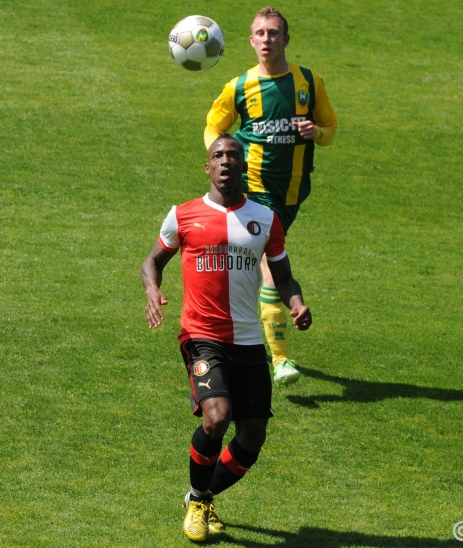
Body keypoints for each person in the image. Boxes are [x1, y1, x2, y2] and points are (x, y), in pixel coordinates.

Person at [142, 133, 312, 543]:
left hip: (250, 341)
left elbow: (283, 274)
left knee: (252, 436)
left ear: (241, 166)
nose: (225, 161)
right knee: (216, 417)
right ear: (208, 166)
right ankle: (200, 501)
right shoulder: (182, 215)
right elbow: (152, 260)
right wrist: (152, 290)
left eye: (232, 155)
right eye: (217, 155)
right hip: (201, 336)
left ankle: (200, 496)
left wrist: (298, 301)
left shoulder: (264, 219)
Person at [204, 6, 337, 386]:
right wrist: (221, 159)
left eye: (273, 33)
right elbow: (214, 125)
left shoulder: (309, 82)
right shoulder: (239, 86)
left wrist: (317, 134)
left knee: (254, 261)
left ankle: (232, 327)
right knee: (266, 261)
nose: (267, 39)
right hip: (255, 188)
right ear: (251, 41)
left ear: (286, 39)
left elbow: (330, 128)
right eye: (260, 33)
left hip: (292, 191)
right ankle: (280, 358)